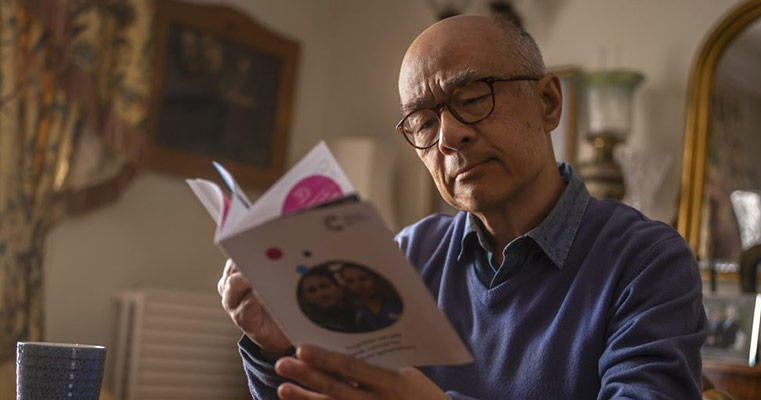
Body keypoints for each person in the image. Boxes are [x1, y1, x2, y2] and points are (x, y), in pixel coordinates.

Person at [218, 14, 707, 399]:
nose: (449, 136)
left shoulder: (647, 261)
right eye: (423, 123)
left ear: (549, 102)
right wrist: (277, 346)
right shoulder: (408, 255)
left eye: (473, 97)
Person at [295, 267, 366, 333]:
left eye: (324, 286)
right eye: (312, 290)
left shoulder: (365, 313)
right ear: (307, 298)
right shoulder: (310, 329)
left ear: (339, 287)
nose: (321, 294)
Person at [338, 262, 403, 330]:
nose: (358, 286)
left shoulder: (397, 298)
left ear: (375, 277)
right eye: (350, 281)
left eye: (363, 279)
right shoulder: (352, 311)